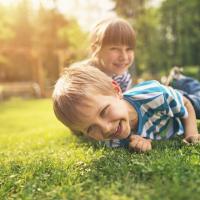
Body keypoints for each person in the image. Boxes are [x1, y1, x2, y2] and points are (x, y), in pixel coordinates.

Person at [52, 64, 200, 153]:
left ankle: (178, 79)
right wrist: (142, 143)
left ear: (116, 90)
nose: (105, 129)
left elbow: (185, 104)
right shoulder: (110, 140)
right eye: (91, 128)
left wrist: (191, 133)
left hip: (178, 99)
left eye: (104, 111)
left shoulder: (154, 94)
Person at [83, 17, 136, 92]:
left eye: (129, 49)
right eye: (115, 49)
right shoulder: (82, 77)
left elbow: (123, 102)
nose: (124, 57)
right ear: (95, 49)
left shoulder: (123, 78)